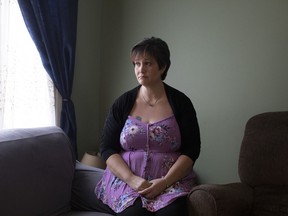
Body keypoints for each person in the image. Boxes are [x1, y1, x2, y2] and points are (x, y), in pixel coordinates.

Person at [94, 37, 201, 216]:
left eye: (147, 63)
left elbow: (192, 150)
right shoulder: (122, 103)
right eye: (137, 64)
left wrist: (165, 181)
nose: (140, 70)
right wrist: (132, 179)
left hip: (170, 183)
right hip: (127, 183)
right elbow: (107, 148)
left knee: (173, 214)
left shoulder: (181, 102)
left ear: (163, 67)